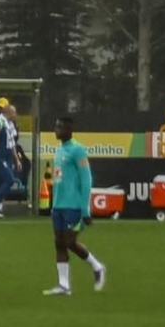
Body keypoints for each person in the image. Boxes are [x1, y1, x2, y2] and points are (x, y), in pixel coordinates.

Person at [44, 117, 107, 296]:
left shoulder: (78, 150)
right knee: (59, 243)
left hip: (73, 206)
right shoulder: (59, 150)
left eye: (60, 127)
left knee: (70, 241)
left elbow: (86, 179)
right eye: (55, 126)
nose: (56, 129)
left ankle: (97, 267)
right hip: (58, 206)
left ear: (69, 129)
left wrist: (85, 209)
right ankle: (64, 285)